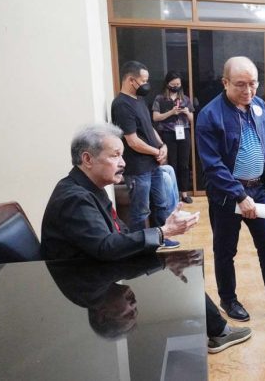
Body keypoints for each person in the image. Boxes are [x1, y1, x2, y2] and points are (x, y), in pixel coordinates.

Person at [40, 123, 249, 353]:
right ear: (87, 159)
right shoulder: (74, 198)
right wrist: (163, 232)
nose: (123, 163)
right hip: (90, 277)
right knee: (167, 273)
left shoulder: (90, 187)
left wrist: (160, 233)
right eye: (116, 156)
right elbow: (106, 247)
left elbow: (120, 233)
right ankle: (217, 332)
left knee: (169, 265)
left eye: (121, 155)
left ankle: (218, 331)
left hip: (99, 269)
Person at [196, 56, 265, 323]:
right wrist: (239, 196)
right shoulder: (210, 115)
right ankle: (228, 300)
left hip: (259, 191)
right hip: (226, 196)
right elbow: (213, 165)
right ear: (225, 83)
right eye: (240, 85)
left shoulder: (259, 105)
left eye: (253, 84)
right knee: (225, 250)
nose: (248, 91)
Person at [110, 61, 173, 243]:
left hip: (153, 165)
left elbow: (149, 128)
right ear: (131, 80)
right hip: (137, 169)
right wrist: (156, 151)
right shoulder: (121, 105)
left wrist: (163, 146)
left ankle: (161, 239)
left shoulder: (139, 100)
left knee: (160, 204)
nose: (146, 84)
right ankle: (139, 245)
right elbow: (133, 141)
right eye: (143, 80)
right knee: (140, 212)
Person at [152, 70, 195, 204]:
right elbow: (155, 117)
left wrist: (187, 112)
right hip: (168, 133)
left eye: (178, 83)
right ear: (167, 83)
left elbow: (192, 119)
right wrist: (171, 112)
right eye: (173, 83)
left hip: (184, 132)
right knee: (172, 164)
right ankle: (173, 194)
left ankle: (184, 193)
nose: (176, 86)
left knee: (184, 164)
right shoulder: (160, 99)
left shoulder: (185, 99)